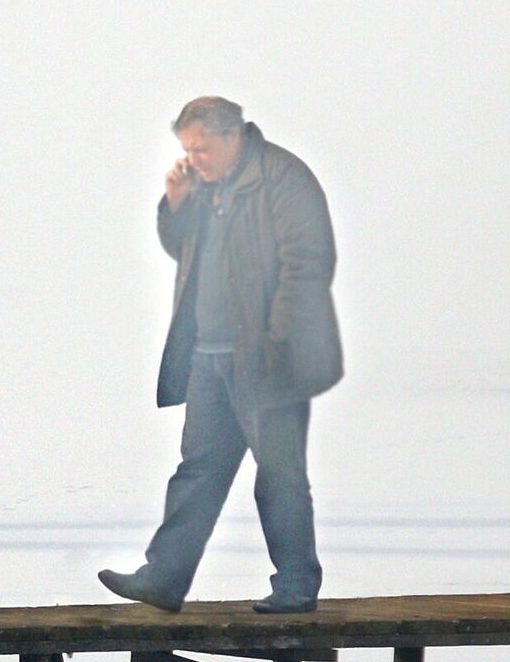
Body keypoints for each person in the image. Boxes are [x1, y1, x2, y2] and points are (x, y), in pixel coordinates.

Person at [98, 97, 341, 614]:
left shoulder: (283, 177)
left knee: (279, 476)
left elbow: (309, 263)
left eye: (201, 148)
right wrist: (177, 204)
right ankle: (163, 578)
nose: (194, 158)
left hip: (268, 359)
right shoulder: (205, 186)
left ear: (233, 137)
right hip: (208, 356)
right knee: (197, 471)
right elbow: (184, 252)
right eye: (188, 149)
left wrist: (278, 346)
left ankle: (296, 585)